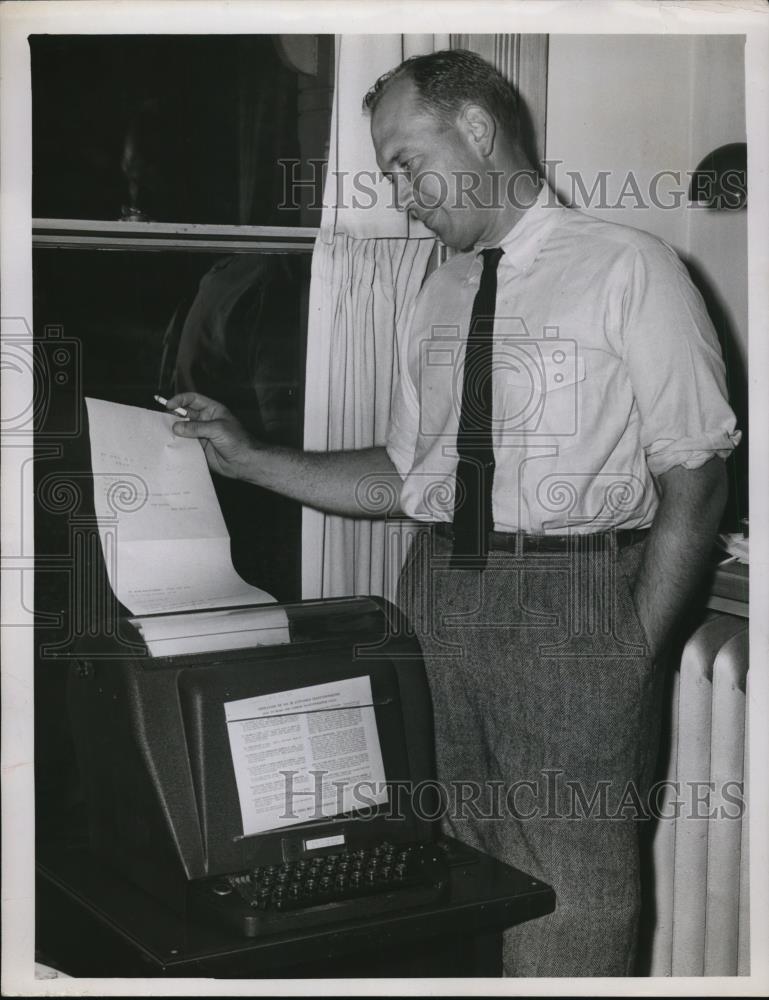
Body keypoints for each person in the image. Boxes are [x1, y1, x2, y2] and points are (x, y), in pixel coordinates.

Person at [165, 50, 740, 976]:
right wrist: (249, 459)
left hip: (572, 603)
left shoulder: (630, 267)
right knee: (449, 870)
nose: (401, 195)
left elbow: (696, 478)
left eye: (403, 162)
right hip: (434, 593)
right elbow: (408, 476)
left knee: (572, 889)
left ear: (475, 130)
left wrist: (630, 646)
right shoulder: (437, 287)